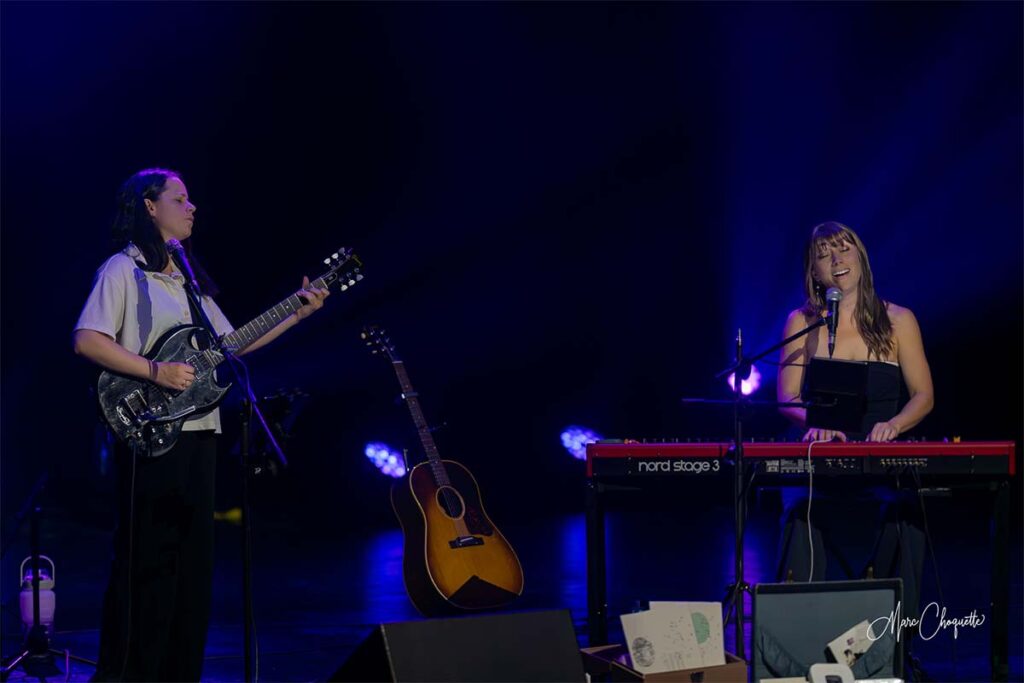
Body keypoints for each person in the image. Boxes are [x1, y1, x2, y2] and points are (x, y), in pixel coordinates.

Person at [73, 168, 329, 681]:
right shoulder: (123, 271)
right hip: (149, 434)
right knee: (146, 567)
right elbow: (87, 339)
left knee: (193, 572)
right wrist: (155, 370)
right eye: (180, 198)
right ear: (149, 206)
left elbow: (232, 344)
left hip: (201, 434)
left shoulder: (190, 283)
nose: (193, 208)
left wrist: (297, 313)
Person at [775, 221, 934, 619]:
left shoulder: (898, 319)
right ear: (813, 271)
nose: (836, 259)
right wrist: (814, 421)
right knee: (800, 512)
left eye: (844, 249)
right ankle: (801, 631)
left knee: (907, 514)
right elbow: (787, 398)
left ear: (860, 257)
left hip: (880, 457)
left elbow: (924, 396)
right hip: (820, 460)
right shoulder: (802, 322)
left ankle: (892, 633)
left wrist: (895, 424)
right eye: (825, 254)